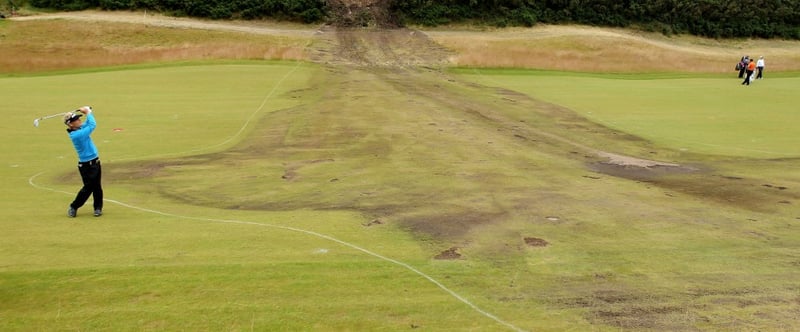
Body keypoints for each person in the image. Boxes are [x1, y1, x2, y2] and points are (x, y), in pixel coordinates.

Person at [64, 106, 103, 217]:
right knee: (88, 187)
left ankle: (98, 208)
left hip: (95, 162)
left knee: (97, 187)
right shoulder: (76, 135)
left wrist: (88, 113)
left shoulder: (79, 129)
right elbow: (92, 125)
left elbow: (88, 123)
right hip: (85, 165)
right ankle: (74, 206)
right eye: (76, 120)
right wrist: (88, 112)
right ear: (70, 124)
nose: (79, 120)